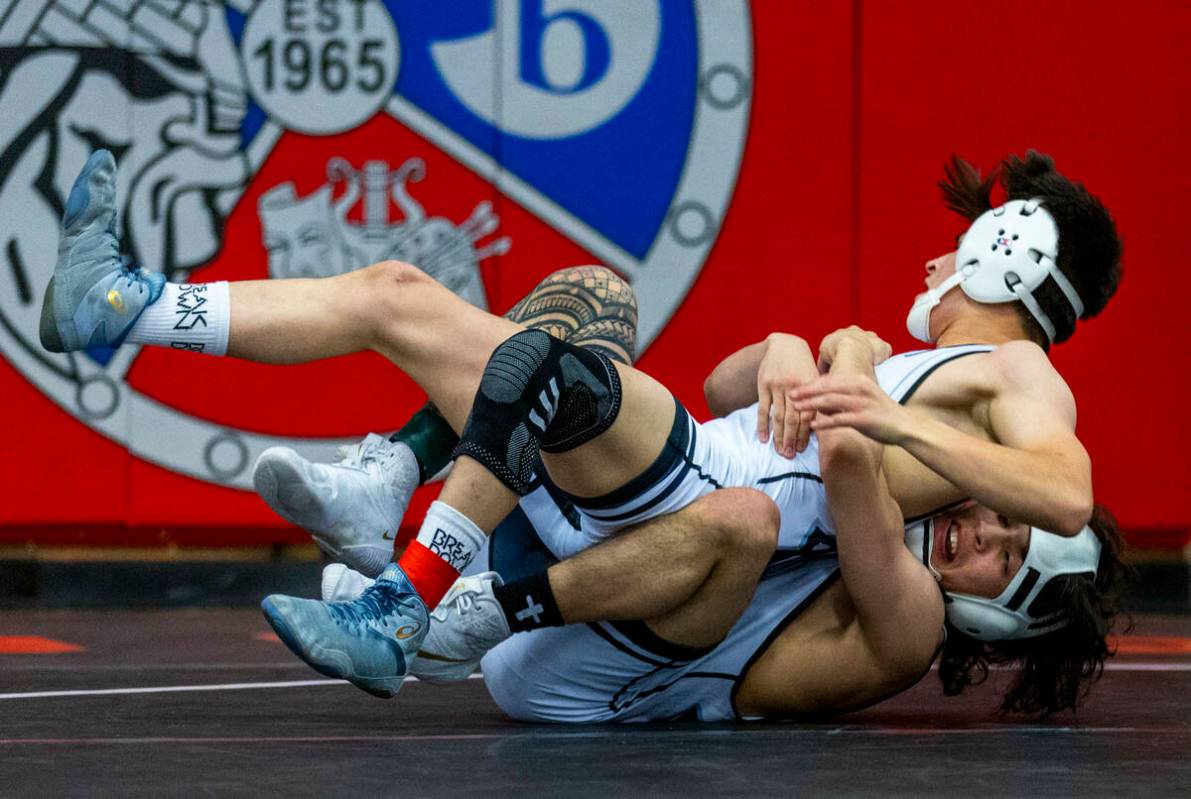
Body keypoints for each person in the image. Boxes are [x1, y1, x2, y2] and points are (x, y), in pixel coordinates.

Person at [41, 149, 1123, 708]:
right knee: (412, 291)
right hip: (684, 479)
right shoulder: (932, 368)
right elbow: (759, 390)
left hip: (693, 495)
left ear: (1008, 255)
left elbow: (1063, 489)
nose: (938, 261)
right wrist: (827, 348)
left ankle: (405, 595)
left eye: (963, 240)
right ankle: (127, 304)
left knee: (548, 363)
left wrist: (881, 404)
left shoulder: (1021, 368)